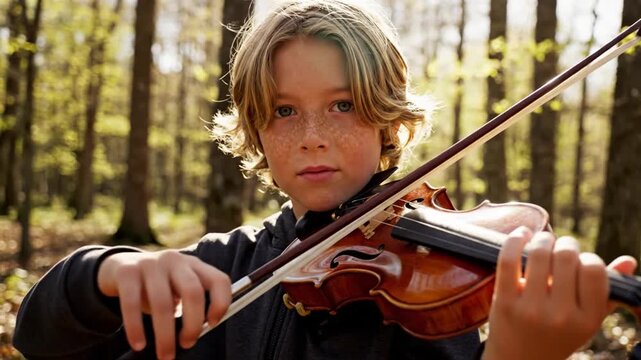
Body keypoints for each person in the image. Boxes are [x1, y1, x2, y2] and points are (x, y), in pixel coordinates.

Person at [13, 1, 637, 359]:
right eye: (284, 112)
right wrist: (106, 273)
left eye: (341, 105)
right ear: (256, 131)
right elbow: (43, 342)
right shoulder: (228, 266)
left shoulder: (420, 307)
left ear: (388, 121)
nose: (311, 134)